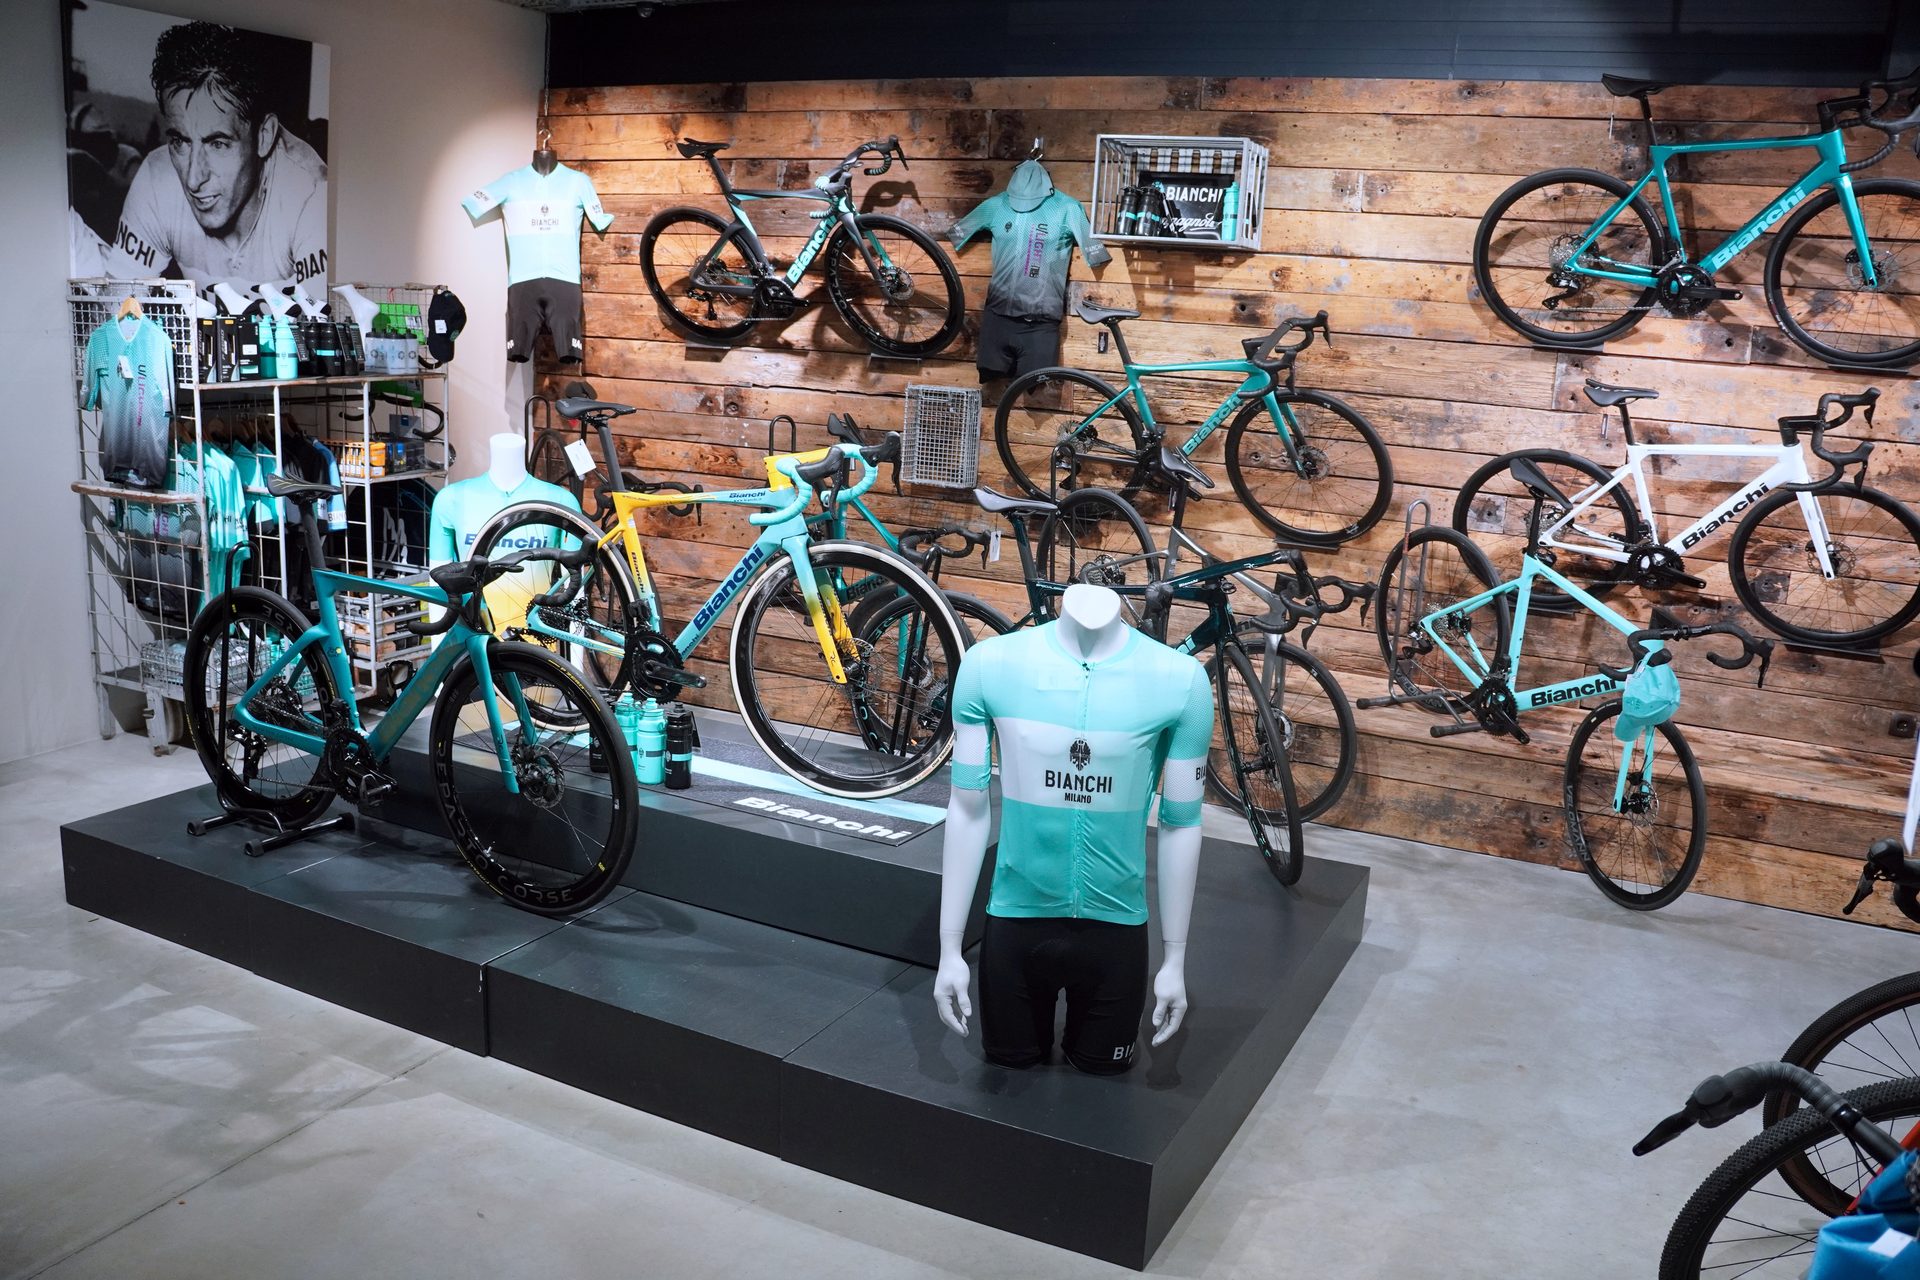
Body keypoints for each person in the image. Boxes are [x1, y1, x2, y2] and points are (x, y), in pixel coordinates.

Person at [104, 21, 327, 290]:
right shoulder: (157, 178)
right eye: (180, 141)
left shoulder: (310, 195)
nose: (193, 178)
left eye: (218, 144)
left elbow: (324, 327)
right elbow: (119, 310)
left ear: (264, 136)